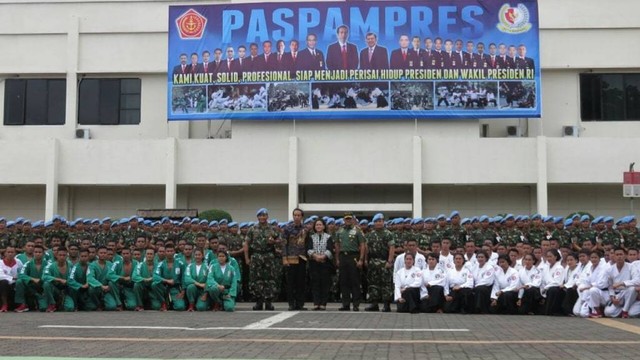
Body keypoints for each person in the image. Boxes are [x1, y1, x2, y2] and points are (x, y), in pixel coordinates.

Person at [244, 208, 281, 311]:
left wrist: (274, 241)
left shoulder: (273, 229)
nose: (262, 217)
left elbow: (280, 241)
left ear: (267, 217)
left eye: (264, 215)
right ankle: (258, 301)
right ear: (257, 217)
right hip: (256, 256)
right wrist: (247, 258)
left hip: (269, 255)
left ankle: (269, 302)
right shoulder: (252, 229)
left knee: (270, 279)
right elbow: (246, 244)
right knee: (256, 279)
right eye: (260, 215)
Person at [364, 213, 395, 312]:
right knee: (373, 284)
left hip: (384, 261)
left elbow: (392, 247)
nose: (378, 223)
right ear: (374, 223)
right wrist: (365, 260)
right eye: (376, 221)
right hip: (373, 261)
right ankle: (374, 304)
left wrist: (389, 261)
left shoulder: (388, 234)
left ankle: (386, 305)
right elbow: (366, 248)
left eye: (380, 221)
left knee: (386, 284)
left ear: (383, 222)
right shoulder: (370, 235)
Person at [334, 212, 366, 311]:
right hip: (343, 256)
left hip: (354, 256)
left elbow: (362, 245)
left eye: (349, 219)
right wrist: (338, 259)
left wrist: (361, 259)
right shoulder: (340, 231)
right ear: (344, 220)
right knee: (343, 281)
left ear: (352, 220)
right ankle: (345, 304)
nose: (348, 220)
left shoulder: (357, 230)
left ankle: (356, 304)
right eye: (346, 219)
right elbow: (337, 246)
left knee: (355, 281)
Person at [282, 208, 308, 311]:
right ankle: (291, 304)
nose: (297, 217)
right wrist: (284, 258)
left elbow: (307, 244)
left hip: (302, 258)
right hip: (291, 258)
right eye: (295, 215)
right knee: (291, 283)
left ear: (302, 217)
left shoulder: (305, 229)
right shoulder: (287, 228)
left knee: (301, 282)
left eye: (299, 215)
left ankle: (300, 304)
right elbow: (284, 244)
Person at [306, 218, 334, 311]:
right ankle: (316, 303)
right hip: (314, 263)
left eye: (320, 225)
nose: (318, 226)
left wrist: (322, 257)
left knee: (325, 284)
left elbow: (330, 249)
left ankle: (323, 304)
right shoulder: (311, 237)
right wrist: (315, 256)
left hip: (325, 263)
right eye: (317, 225)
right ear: (314, 226)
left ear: (323, 226)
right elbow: (309, 249)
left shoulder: (328, 237)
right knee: (315, 283)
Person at [151, 243, 185, 311]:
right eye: (168, 251)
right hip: (163, 288)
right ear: (165, 252)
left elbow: (184, 278)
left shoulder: (180, 263)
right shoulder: (160, 264)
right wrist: (166, 280)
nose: (170, 253)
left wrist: (183, 292)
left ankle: (170, 304)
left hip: (175, 288)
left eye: (171, 251)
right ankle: (163, 302)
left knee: (180, 307)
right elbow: (155, 276)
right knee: (154, 284)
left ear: (174, 252)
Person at [14, 245, 46, 312]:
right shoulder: (28, 263)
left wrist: (41, 280)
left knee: (43, 308)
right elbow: (21, 274)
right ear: (33, 253)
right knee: (19, 281)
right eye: (36, 252)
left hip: (43, 288)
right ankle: (22, 303)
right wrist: (33, 279)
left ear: (43, 253)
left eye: (40, 252)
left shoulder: (48, 264)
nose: (37, 254)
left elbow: (49, 276)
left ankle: (48, 302)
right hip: (31, 286)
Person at [87, 246, 120, 311]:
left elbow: (113, 276)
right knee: (91, 289)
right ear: (97, 254)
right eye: (101, 253)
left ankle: (105, 303)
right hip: (96, 289)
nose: (103, 254)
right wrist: (101, 286)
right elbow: (90, 278)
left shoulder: (110, 264)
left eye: (105, 253)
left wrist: (108, 287)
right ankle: (98, 304)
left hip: (107, 290)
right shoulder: (92, 265)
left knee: (112, 307)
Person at [541, 249, 566, 315]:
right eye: (547, 257)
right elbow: (543, 280)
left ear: (555, 257)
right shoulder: (546, 268)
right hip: (546, 288)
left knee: (552, 289)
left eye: (550, 256)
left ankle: (553, 310)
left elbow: (557, 282)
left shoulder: (559, 267)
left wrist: (546, 287)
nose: (549, 258)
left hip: (556, 289)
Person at [0, 246, 23, 312]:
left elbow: (22, 272)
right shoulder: (0, 263)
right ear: (5, 253)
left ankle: (21, 303)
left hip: (14, 285)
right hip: (3, 286)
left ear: (15, 253)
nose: (10, 254)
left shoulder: (18, 262)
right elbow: (1, 275)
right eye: (8, 252)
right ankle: (4, 304)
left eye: (12, 252)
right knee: (4, 282)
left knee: (20, 282)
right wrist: (13, 278)